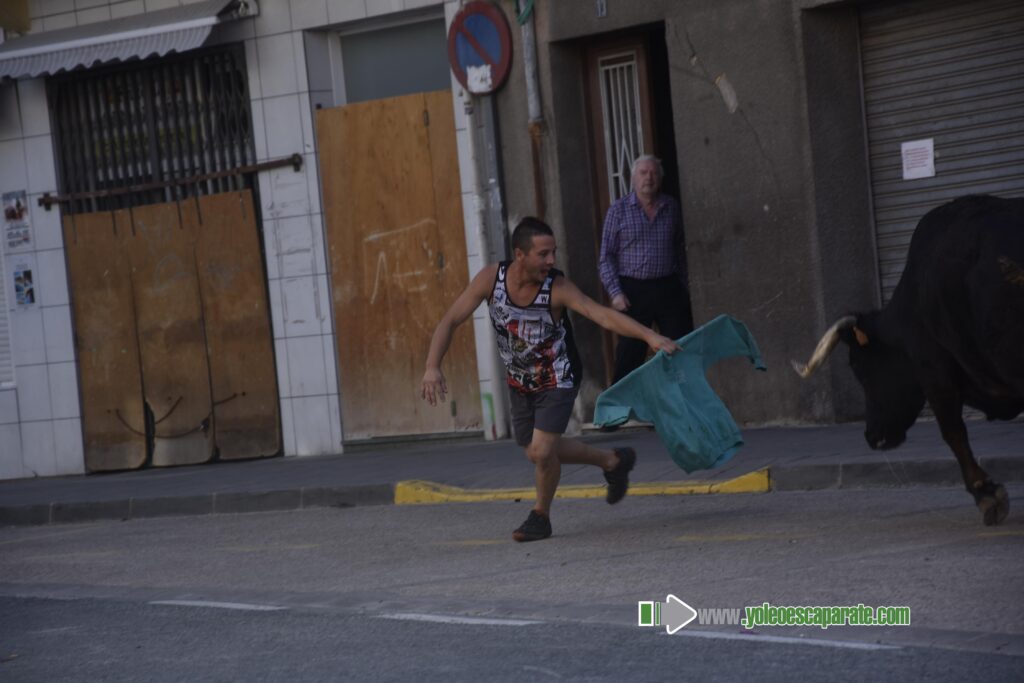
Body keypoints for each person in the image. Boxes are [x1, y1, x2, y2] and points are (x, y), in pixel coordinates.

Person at [421, 217, 680, 542]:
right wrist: (432, 366)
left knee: (543, 452)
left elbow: (600, 314)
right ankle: (613, 461)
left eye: (553, 252)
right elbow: (450, 320)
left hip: (558, 375)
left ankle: (540, 516)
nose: (551, 260)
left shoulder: (556, 288)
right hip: (519, 381)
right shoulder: (491, 279)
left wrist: (649, 336)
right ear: (520, 254)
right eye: (543, 254)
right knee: (535, 451)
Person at [599, 154, 693, 384]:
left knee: (679, 345)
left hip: (667, 286)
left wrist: (685, 284)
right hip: (633, 290)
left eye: (653, 173)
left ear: (660, 179)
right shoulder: (618, 210)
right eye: (643, 173)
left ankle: (680, 398)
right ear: (633, 178)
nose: (648, 178)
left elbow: (680, 248)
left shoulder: (671, 207)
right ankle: (620, 402)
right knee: (630, 353)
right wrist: (615, 292)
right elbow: (606, 257)